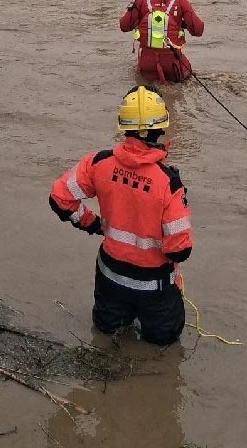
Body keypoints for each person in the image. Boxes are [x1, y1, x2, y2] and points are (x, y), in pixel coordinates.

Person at [49, 85, 192, 346]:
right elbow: (179, 250)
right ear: (161, 128)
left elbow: (60, 198)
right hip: (156, 290)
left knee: (104, 337)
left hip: (111, 278)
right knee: (163, 349)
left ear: (122, 126)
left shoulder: (98, 163)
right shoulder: (169, 183)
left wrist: (92, 223)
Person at [120, 0, 204, 84]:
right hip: (172, 64)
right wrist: (181, 23)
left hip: (146, 64)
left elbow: (124, 26)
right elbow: (198, 30)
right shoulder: (181, 1)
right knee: (185, 80)